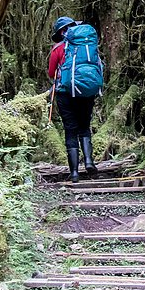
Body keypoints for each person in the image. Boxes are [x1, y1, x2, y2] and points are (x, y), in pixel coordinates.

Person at [48, 16, 99, 183]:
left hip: (65, 93)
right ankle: (89, 162)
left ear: (61, 32)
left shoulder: (58, 49)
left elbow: (51, 73)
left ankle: (75, 172)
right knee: (84, 126)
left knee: (70, 129)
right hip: (86, 91)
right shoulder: (86, 46)